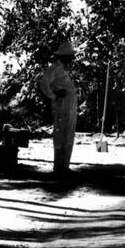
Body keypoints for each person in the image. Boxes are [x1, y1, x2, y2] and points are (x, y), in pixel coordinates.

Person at [37, 39, 79, 174]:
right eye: (70, 56)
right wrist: (54, 95)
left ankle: (64, 166)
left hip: (69, 106)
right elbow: (44, 84)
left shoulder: (62, 69)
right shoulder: (54, 68)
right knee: (61, 135)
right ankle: (59, 166)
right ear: (64, 56)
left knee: (68, 136)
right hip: (61, 106)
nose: (72, 59)